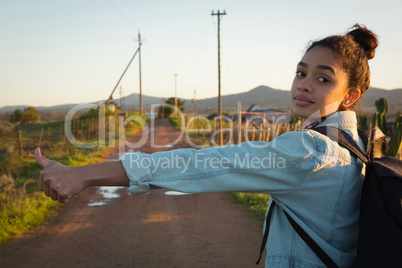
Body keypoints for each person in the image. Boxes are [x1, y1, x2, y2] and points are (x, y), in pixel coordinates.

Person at [35, 24, 378, 267]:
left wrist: (83, 175)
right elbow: (223, 161)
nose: (303, 85)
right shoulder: (356, 144)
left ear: (350, 96)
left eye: (323, 78)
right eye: (300, 72)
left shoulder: (311, 151)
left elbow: (208, 165)